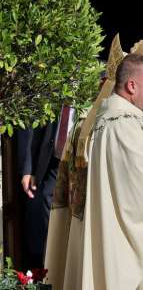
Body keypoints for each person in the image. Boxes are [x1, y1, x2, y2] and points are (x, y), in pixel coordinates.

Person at [53, 54, 143, 290]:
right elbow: (137, 184)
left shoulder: (101, 119)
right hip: (122, 244)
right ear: (132, 86)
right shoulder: (123, 125)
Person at [16, 103, 74, 269]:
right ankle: (43, 270)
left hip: (83, 162)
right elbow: (33, 124)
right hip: (51, 162)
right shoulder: (53, 81)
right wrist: (28, 168)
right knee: (40, 214)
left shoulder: (100, 80)